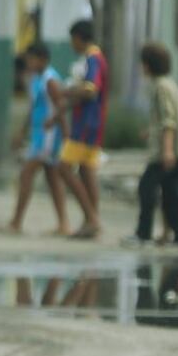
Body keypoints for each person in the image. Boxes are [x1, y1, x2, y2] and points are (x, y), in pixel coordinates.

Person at [132, 43, 178, 247]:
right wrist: (151, 132)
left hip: (167, 153)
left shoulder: (160, 86)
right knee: (171, 196)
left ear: (148, 65)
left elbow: (169, 121)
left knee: (146, 189)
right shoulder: (170, 84)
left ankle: (144, 234)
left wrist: (167, 150)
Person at [5, 42, 71, 236]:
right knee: (52, 177)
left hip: (48, 136)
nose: (29, 63)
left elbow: (61, 106)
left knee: (26, 174)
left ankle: (16, 222)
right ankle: (63, 224)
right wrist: (23, 130)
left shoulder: (51, 80)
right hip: (38, 133)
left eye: (32, 59)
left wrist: (65, 136)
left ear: (43, 60)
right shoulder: (35, 79)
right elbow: (34, 107)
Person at [53, 20, 108, 238]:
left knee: (63, 168)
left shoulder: (93, 59)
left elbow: (90, 89)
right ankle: (90, 220)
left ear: (78, 37)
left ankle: (92, 218)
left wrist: (67, 91)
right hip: (94, 123)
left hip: (86, 124)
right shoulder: (96, 58)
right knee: (86, 170)